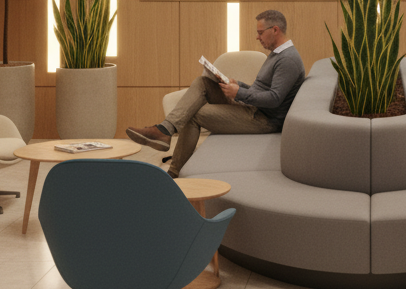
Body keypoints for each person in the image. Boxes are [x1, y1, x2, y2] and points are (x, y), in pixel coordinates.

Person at [126, 9, 305, 177]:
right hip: (253, 107)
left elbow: (274, 98)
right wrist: (237, 85)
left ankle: (173, 172)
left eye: (260, 32)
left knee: (194, 115)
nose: (257, 37)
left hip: (263, 119)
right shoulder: (277, 54)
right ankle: (165, 130)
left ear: (275, 30)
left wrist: (240, 93)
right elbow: (263, 89)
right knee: (203, 82)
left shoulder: (288, 59)